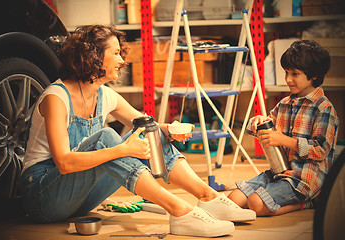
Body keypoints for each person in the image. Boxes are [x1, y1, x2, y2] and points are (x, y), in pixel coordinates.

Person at [20, 25, 256, 238]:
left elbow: (144, 123)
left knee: (150, 130)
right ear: (92, 56)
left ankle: (208, 197)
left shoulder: (105, 95)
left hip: (79, 199)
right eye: (115, 53)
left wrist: (169, 129)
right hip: (44, 197)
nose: (122, 60)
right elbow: (64, 163)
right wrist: (121, 150)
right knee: (108, 138)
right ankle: (179, 211)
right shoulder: (56, 98)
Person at [228, 39, 339, 216]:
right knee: (233, 200)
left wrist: (286, 141)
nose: (288, 79)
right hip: (279, 173)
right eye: (286, 72)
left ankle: (310, 203)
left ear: (314, 75)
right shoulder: (285, 104)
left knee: (256, 204)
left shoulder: (323, 108)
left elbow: (321, 150)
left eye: (294, 74)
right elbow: (260, 130)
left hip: (305, 178)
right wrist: (257, 122)